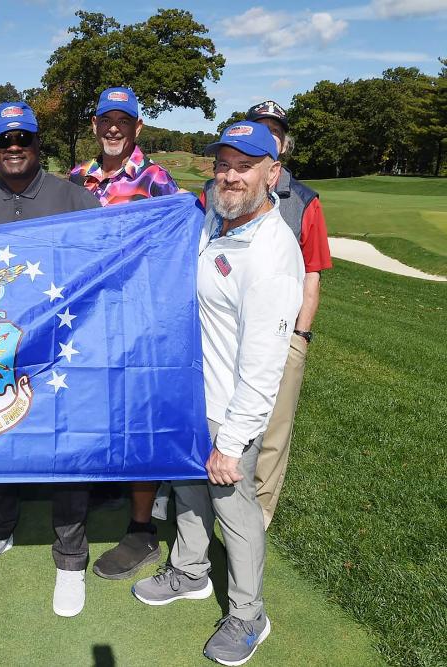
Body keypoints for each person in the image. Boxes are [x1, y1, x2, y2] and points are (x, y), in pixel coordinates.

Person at [131, 121, 304, 666]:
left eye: (244, 165)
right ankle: (190, 570)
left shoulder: (272, 253)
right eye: (222, 164)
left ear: (272, 173)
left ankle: (250, 612)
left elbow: (262, 366)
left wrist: (231, 442)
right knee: (188, 490)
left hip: (231, 408)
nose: (229, 176)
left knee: (235, 507)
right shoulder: (215, 219)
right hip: (191, 397)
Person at [0, 101, 101, 618]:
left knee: (65, 455)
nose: (14, 148)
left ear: (38, 144)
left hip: (63, 351)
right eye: (3, 141)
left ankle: (69, 558)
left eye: (23, 139)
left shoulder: (76, 198)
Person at [69, 87, 182, 583]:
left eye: (124, 121)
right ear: (95, 126)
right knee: (93, 408)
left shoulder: (157, 180)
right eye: (106, 120)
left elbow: (176, 246)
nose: (114, 128)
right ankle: (98, 486)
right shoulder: (75, 179)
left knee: (139, 419)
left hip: (137, 321)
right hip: (83, 323)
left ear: (137, 128)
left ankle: (141, 528)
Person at [244, 100, 332, 528]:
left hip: (283, 337)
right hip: (227, 332)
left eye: (275, 132)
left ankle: (255, 522)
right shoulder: (221, 188)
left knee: (272, 436)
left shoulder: (304, 201)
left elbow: (311, 277)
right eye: (258, 128)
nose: (268, 136)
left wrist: (300, 337)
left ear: (283, 145)